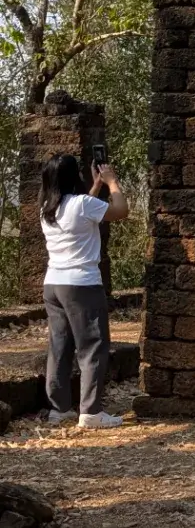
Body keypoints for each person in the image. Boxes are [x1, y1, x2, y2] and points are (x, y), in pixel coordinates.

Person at [40, 152, 129, 430]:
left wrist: (96, 186)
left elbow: (81, 213)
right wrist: (112, 183)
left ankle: (60, 408)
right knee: (92, 345)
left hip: (53, 284)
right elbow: (120, 211)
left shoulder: (46, 207)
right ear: (72, 176)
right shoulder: (82, 205)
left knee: (60, 346)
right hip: (81, 284)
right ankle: (90, 411)